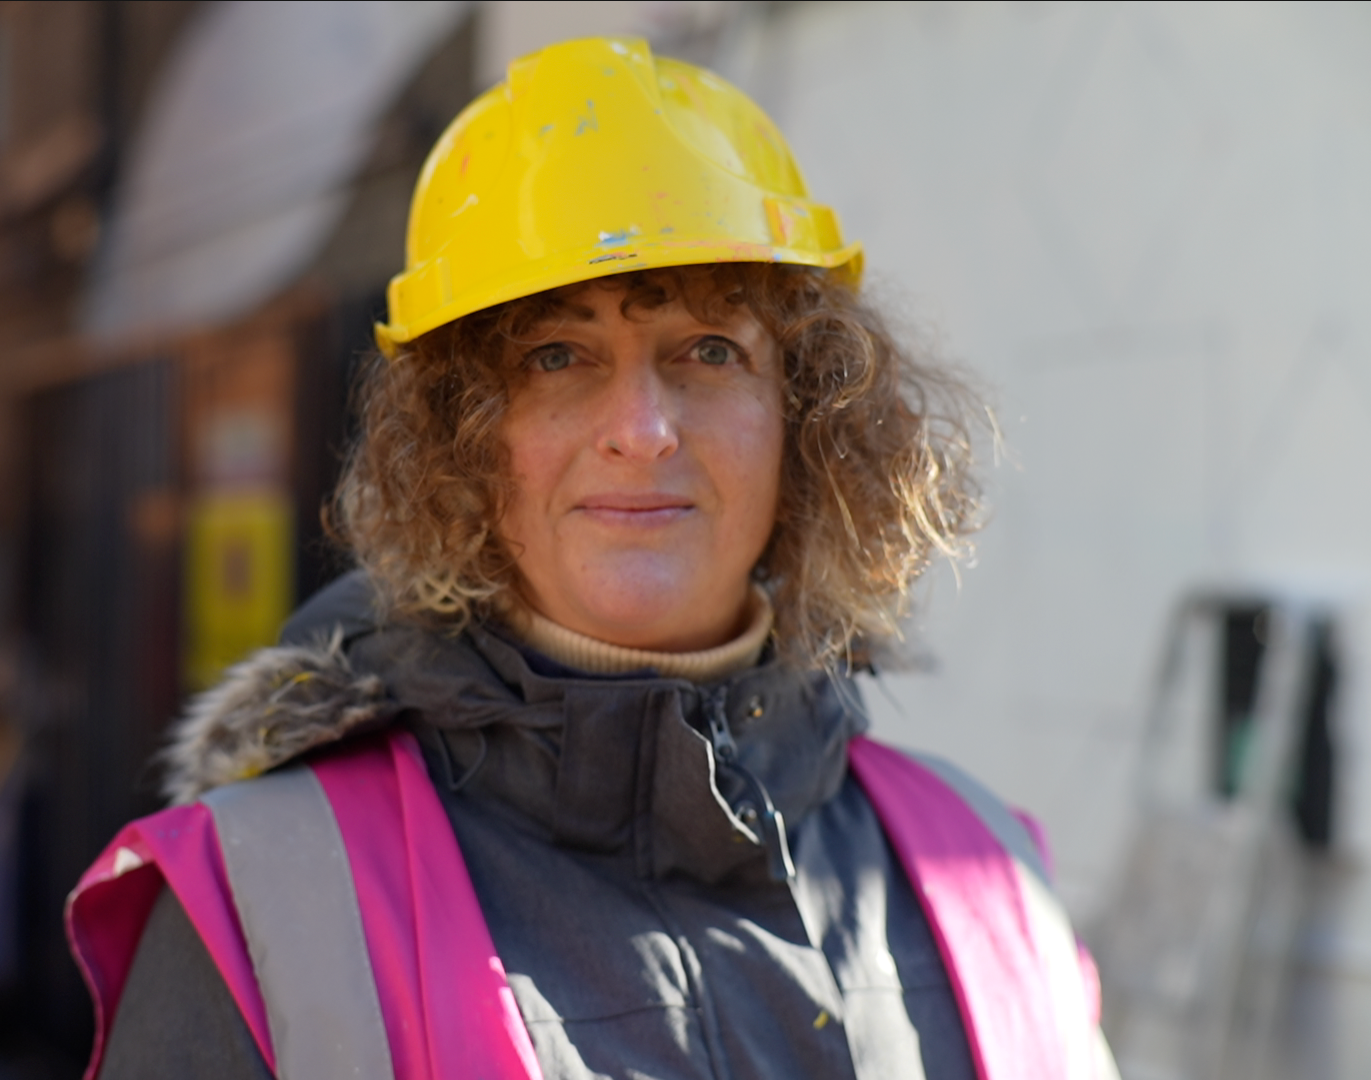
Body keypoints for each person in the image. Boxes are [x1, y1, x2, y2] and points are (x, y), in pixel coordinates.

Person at [67, 36, 1118, 1080]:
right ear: (459, 442)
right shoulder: (260, 907)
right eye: (557, 357)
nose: (644, 428)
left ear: (805, 416)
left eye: (710, 350)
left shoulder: (992, 870)